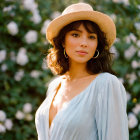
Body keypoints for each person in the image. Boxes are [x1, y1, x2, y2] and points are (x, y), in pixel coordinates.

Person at [35, 2, 129, 140]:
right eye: (75, 34)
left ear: (97, 44)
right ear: (62, 41)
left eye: (91, 37)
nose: (84, 43)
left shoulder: (106, 84)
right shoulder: (54, 86)